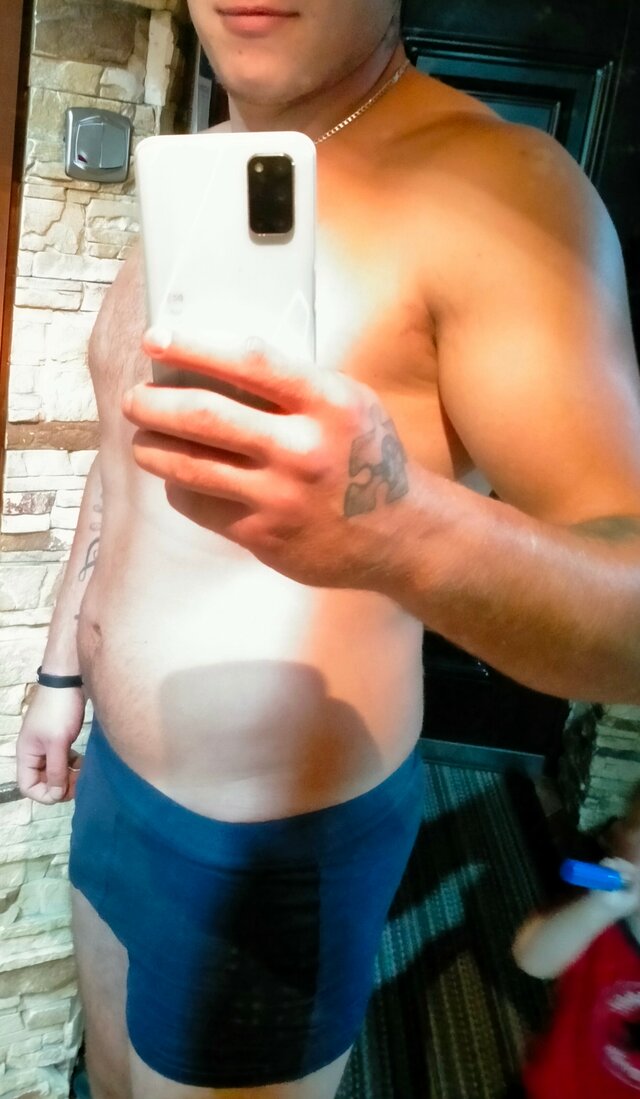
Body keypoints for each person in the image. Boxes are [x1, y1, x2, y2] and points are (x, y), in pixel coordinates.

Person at [15, 0, 640, 1096]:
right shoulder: (197, 175)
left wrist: (400, 528)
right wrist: (63, 670)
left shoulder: (498, 186)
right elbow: (126, 464)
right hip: (117, 778)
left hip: (272, 845)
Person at [512, 790, 640, 1097]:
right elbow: (530, 959)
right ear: (619, 840)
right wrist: (596, 910)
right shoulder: (597, 915)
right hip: (557, 1087)